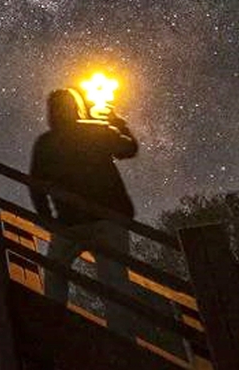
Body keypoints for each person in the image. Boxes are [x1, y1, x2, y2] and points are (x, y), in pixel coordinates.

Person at [29, 87, 139, 336]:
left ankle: (55, 333)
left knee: (55, 274)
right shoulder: (95, 129)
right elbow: (129, 149)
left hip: (69, 223)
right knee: (115, 283)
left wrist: (47, 219)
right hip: (109, 219)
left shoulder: (45, 143)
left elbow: (36, 185)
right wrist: (117, 123)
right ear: (75, 107)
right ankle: (124, 344)